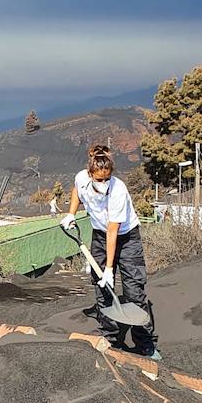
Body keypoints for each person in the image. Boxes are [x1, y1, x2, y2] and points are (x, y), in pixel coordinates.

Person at [61, 145, 159, 359]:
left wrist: (109, 268)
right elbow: (77, 190)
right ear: (90, 174)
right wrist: (71, 214)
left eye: (106, 179)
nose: (103, 184)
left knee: (134, 289)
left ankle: (145, 343)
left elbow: (113, 232)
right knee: (102, 288)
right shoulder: (82, 179)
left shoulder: (118, 190)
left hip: (126, 238)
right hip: (99, 236)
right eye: (99, 180)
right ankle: (111, 339)